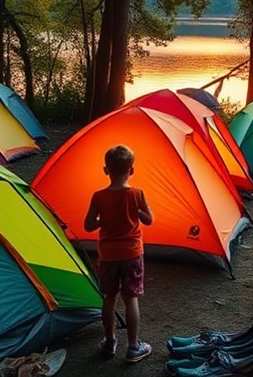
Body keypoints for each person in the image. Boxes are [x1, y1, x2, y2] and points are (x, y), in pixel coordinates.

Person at [84, 145, 154, 362]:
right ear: (131, 170)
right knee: (131, 298)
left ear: (106, 170)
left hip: (108, 256)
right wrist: (138, 211)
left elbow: (88, 226)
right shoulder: (137, 194)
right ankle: (133, 347)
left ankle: (109, 341)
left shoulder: (98, 197)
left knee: (109, 298)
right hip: (132, 253)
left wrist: (102, 220)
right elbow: (148, 220)